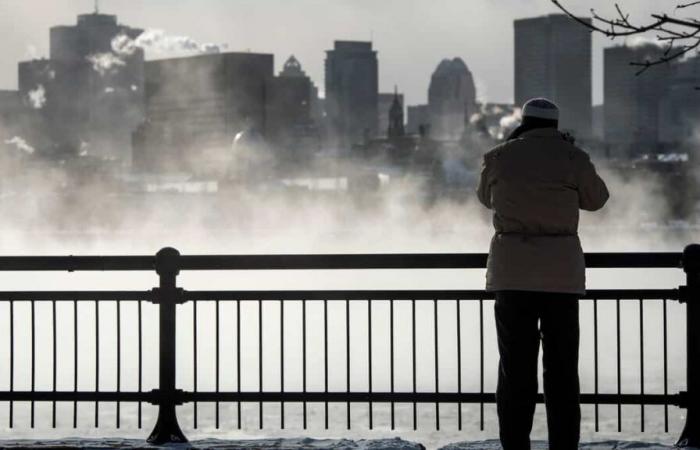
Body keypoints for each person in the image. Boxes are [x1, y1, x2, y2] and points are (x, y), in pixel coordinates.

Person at [477, 98, 609, 450]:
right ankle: (563, 445)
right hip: (560, 277)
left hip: (512, 274)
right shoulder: (572, 157)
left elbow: (484, 197)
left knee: (515, 369)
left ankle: (515, 445)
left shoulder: (500, 156)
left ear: (524, 121)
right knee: (562, 369)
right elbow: (597, 199)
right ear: (555, 125)